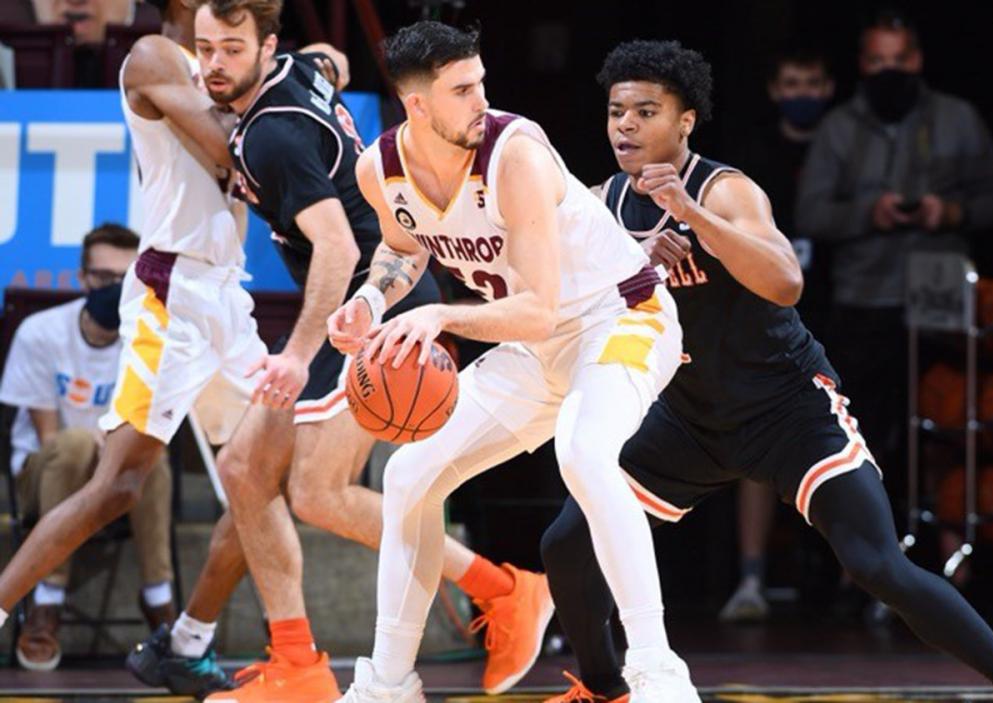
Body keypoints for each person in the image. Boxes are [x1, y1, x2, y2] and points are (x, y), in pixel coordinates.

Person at [537, 39, 993, 703]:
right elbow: (550, 288)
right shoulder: (603, 202)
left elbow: (786, 282)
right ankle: (603, 687)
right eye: (617, 112)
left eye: (646, 111)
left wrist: (692, 219)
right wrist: (635, 252)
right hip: (688, 414)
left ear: (685, 121)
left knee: (877, 564)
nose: (626, 126)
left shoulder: (724, 189)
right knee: (566, 543)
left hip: (787, 406)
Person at [123, 4, 552, 701]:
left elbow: (340, 246)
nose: (213, 65)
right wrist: (325, 55)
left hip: (372, 306)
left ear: (265, 46)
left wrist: (295, 355)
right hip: (359, 302)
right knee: (245, 470)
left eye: (232, 48)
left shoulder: (272, 136)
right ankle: (297, 664)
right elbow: (326, 63)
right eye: (204, 48)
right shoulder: (296, 70)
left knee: (319, 492)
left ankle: (506, 590)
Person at [326, 20, 698, 703]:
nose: (481, 101)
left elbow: (538, 308)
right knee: (410, 473)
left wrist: (439, 314)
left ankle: (657, 671)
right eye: (463, 90)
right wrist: (370, 303)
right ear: (418, 105)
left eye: (481, 83)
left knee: (585, 454)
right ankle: (386, 684)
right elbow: (403, 249)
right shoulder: (379, 169)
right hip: (538, 347)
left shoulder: (514, 152)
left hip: (619, 319)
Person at [0, 0, 260, 687]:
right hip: (173, 290)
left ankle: (193, 637)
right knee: (117, 485)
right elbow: (234, 153)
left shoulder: (220, 67)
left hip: (226, 291)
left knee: (268, 472)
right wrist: (294, 90)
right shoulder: (154, 56)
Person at [795, 9, 993, 502]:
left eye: (900, 58)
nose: (890, 70)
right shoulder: (838, 130)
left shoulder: (957, 119)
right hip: (864, 303)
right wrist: (870, 214)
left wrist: (951, 213)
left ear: (917, 59)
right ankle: (866, 555)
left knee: (948, 424)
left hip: (942, 302)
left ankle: (948, 551)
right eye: (878, 60)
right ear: (862, 64)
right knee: (859, 436)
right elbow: (810, 215)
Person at [0, 224, 175, 670]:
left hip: (117, 473)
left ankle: (162, 604)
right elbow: (48, 440)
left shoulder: (149, 342)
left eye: (126, 278)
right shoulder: (41, 332)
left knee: (150, 456)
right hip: (46, 474)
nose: (115, 288)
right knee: (76, 443)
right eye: (103, 278)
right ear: (82, 278)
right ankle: (47, 599)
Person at [720, 48, 835, 623]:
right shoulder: (746, 163)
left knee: (835, 448)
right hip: (762, 311)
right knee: (754, 449)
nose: (803, 91)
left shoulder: (843, 143)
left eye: (812, 80)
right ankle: (750, 578)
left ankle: (846, 580)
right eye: (792, 80)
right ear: (773, 88)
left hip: (843, 307)